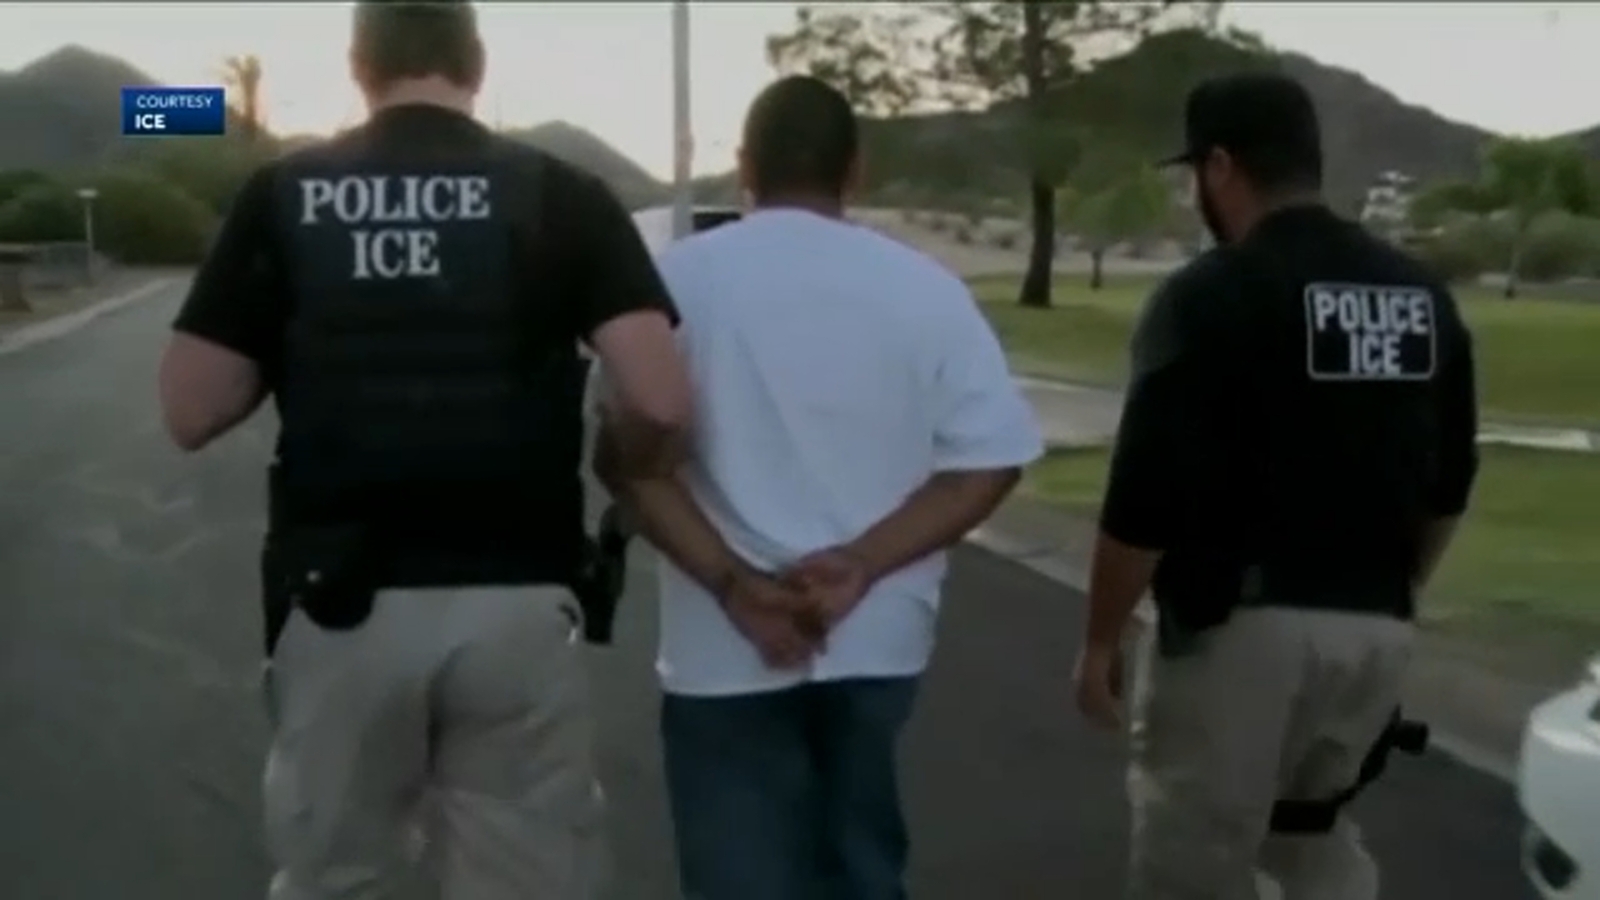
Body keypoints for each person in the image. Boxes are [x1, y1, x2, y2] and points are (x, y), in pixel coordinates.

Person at [155, 2, 689, 897]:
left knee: (337, 875)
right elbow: (662, 398)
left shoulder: (285, 196)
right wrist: (623, 462)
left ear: (360, 65)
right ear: (473, 63)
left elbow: (189, 407)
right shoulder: (562, 193)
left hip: (340, 600)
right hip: (518, 595)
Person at [591, 75, 1044, 900]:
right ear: (855, 170)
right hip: (876, 637)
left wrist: (737, 587)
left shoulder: (676, 285)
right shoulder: (928, 291)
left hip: (721, 649)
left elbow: (627, 463)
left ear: (745, 167)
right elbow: (992, 458)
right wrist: (862, 564)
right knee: (862, 866)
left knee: (739, 877)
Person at [1069, 72, 1479, 900]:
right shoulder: (1419, 297)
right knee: (1313, 839)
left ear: (1221, 167)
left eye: (1195, 175)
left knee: (1195, 857)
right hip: (1375, 631)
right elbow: (1448, 485)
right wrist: (1393, 592)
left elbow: (1143, 499)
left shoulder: (1209, 295)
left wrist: (1101, 642)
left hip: (1239, 638)